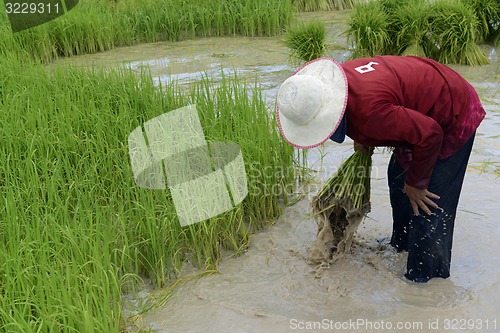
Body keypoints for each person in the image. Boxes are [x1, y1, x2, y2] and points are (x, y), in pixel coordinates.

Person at [275, 56, 485, 283]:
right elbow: (384, 106)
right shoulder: (341, 84)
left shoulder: (370, 115)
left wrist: (417, 183)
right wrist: (365, 136)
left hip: (451, 113)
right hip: (422, 109)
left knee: (427, 204)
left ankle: (425, 283)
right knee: (397, 178)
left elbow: (430, 134)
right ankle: (402, 246)